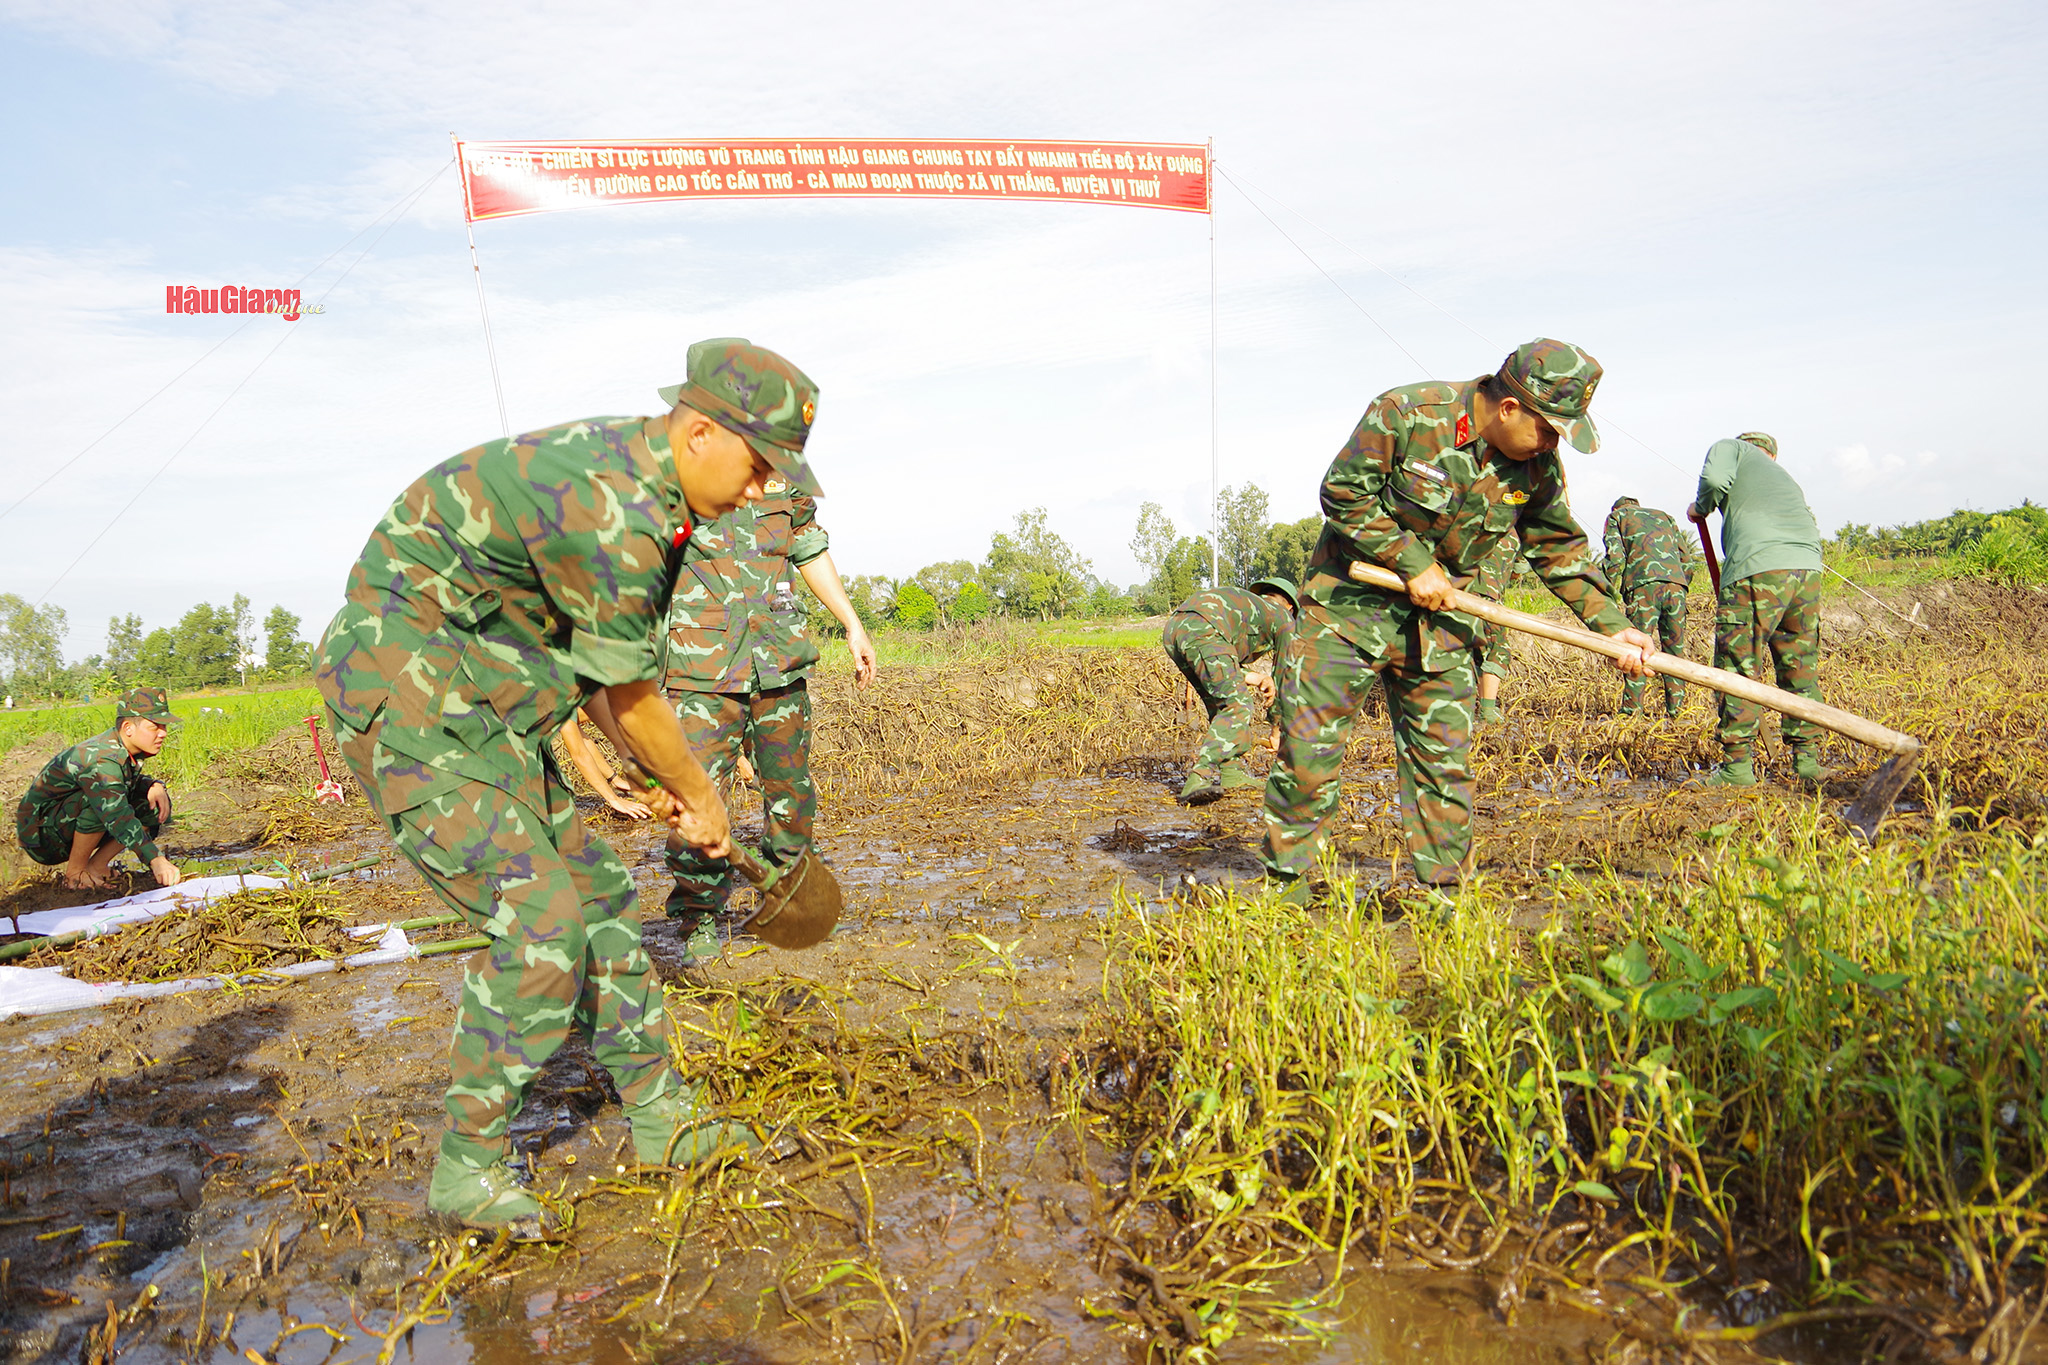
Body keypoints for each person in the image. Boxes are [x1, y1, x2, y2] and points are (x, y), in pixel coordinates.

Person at [316, 337, 822, 1232]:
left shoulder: (655, 499)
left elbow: (598, 670)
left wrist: (648, 771)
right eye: (755, 468)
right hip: (411, 705)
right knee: (541, 926)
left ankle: (664, 1119)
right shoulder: (613, 504)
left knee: (601, 899)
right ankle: (467, 1167)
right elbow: (629, 688)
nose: (759, 493)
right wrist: (698, 793)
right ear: (700, 431)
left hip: (489, 705)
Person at [1261, 340, 1655, 897]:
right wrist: (1412, 561)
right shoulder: (1407, 414)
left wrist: (1613, 626)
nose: (1551, 444)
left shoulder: (1538, 466)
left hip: (1442, 627)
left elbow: (1558, 549)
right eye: (1549, 429)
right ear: (1510, 407)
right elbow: (1343, 493)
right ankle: (1287, 891)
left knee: (1443, 766)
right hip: (1346, 611)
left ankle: (1446, 898)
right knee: (1309, 752)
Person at [657, 483, 877, 963]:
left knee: (791, 791)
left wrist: (852, 623)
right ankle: (701, 916)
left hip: (778, 658)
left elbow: (808, 547)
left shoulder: (783, 473)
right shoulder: (673, 471)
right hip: (701, 669)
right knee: (698, 798)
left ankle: (788, 897)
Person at [1687, 431, 1826, 787]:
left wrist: (1700, 508)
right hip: (1807, 570)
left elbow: (1715, 479)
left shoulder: (1731, 448)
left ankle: (1736, 770)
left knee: (1737, 665)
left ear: (1748, 447)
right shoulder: (1783, 477)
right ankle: (1807, 762)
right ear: (1773, 455)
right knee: (1799, 666)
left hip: (1758, 568)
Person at [14, 686, 183, 891]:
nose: (163, 733)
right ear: (128, 728)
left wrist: (153, 785)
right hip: (42, 838)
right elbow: (115, 812)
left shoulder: (122, 749)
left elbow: (121, 784)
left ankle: (95, 867)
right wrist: (155, 859)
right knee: (101, 801)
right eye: (154, 727)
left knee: (150, 803)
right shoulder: (102, 758)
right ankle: (75, 875)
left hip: (62, 825)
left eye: (164, 726)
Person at [1162, 577, 1298, 805]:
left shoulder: (1247, 606)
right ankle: (1199, 776)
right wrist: (1277, 728)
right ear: (1291, 607)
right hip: (1205, 630)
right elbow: (1286, 677)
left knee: (1221, 705)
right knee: (1238, 704)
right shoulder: (1283, 617)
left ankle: (1231, 772)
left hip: (1174, 630)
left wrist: (1256, 677)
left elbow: (1222, 658)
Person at [1602, 496, 1701, 718]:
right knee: (1675, 652)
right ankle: (1678, 713)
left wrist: (1605, 593)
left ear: (1617, 508)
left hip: (1643, 588)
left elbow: (1615, 558)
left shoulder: (1617, 516)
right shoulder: (1665, 516)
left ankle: (1631, 713)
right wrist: (1680, 586)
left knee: (1637, 652)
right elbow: (1688, 563)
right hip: (1677, 588)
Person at [558, 707, 654, 821]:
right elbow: (579, 755)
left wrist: (614, 779)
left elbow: (583, 742)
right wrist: (614, 799)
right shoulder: (561, 707)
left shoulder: (569, 712)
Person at [1468, 533, 1521, 726]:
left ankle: (1477, 706)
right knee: (1498, 647)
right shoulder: (1516, 527)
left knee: (1470, 648)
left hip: (1456, 587)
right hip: (1487, 593)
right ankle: (1487, 710)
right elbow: (1518, 571)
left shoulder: (1470, 512)